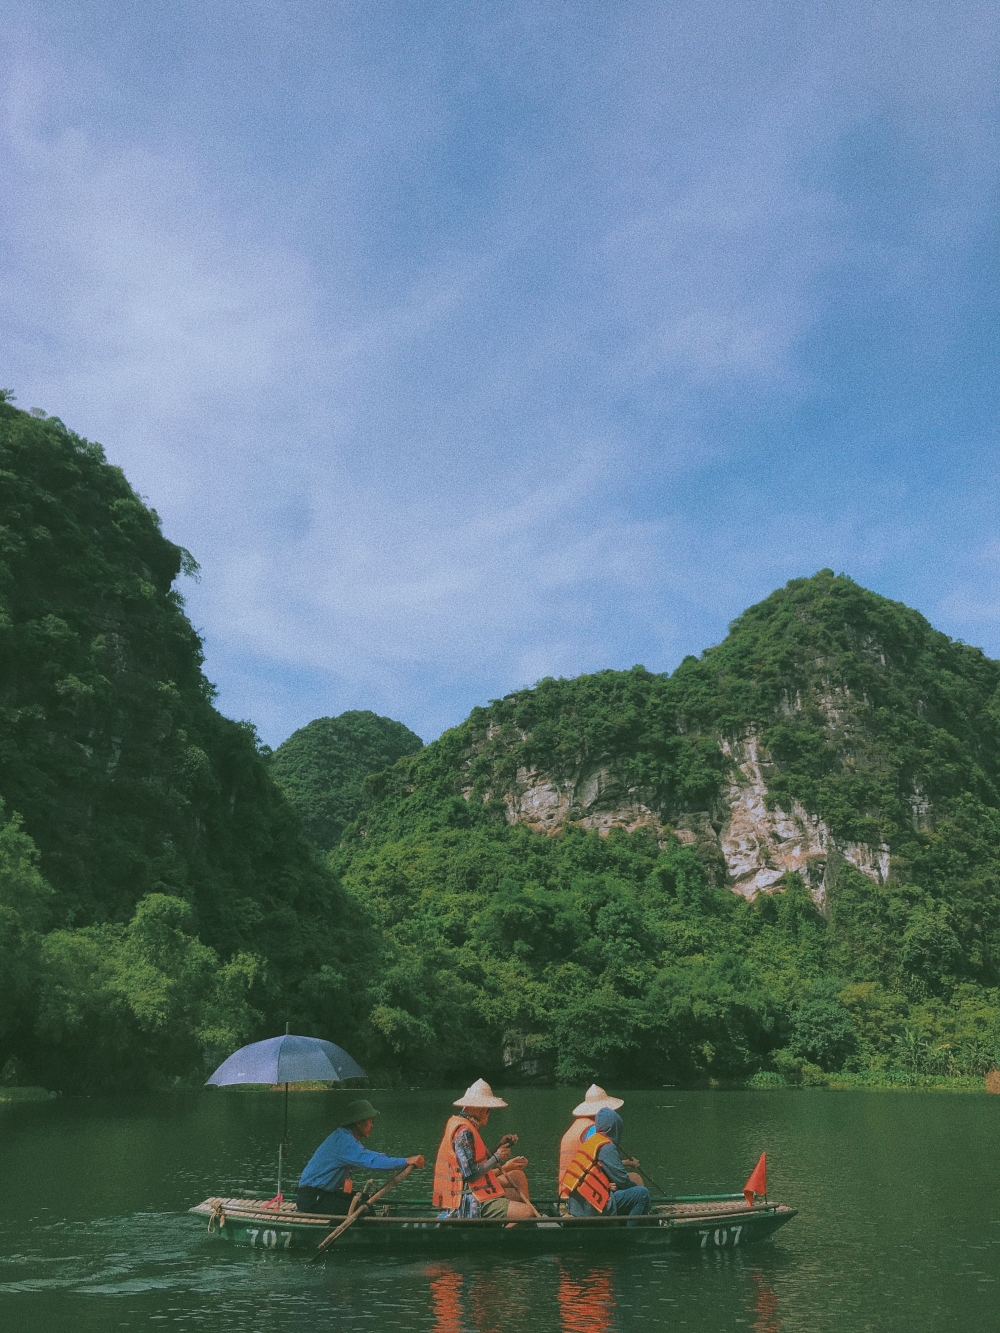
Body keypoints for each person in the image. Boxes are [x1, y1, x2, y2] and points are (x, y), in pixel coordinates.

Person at [296, 1097, 425, 1214]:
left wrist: (400, 1160)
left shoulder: (347, 1138)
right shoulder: (344, 1142)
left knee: (364, 1199)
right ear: (359, 1123)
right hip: (312, 1198)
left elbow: (370, 1155)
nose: (372, 1125)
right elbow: (371, 1162)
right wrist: (406, 1161)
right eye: (370, 1121)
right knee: (364, 1210)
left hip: (325, 1194)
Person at [432, 1078, 535, 1220]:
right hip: (469, 1201)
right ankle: (503, 1238)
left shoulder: (466, 1126)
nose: (488, 1113)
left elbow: (476, 1160)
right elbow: (471, 1175)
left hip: (475, 1192)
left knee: (517, 1186)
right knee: (527, 1213)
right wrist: (497, 1157)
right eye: (488, 1110)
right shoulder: (463, 1133)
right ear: (479, 1109)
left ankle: (507, 1230)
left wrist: (500, 1145)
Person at [561, 1107, 651, 1226]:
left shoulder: (591, 1142)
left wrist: (609, 1185)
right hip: (593, 1208)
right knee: (643, 1193)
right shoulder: (607, 1147)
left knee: (633, 1190)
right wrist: (627, 1186)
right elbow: (623, 1181)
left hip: (577, 1206)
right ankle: (631, 1233)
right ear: (615, 1128)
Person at [558, 1085, 625, 1200]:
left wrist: (626, 1162)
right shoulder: (593, 1129)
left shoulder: (577, 1125)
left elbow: (592, 1161)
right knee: (634, 1180)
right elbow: (606, 1160)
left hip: (566, 1190)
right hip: (582, 1193)